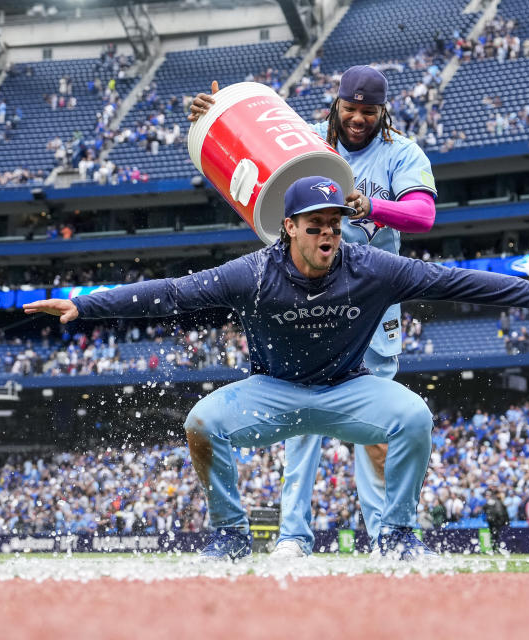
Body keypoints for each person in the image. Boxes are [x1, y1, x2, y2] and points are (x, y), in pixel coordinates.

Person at [25, 176, 529, 561]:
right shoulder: (252, 272)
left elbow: (454, 280)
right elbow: (174, 292)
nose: (329, 232)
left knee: (414, 416)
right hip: (272, 390)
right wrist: (87, 303)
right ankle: (230, 534)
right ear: (290, 228)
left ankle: (397, 534)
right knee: (201, 423)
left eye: (334, 222)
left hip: (349, 390)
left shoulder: (373, 266)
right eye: (315, 223)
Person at [189, 65, 438, 558]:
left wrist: (372, 207)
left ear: (383, 110)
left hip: (371, 305)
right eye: (351, 109)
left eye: (369, 111)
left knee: (376, 428)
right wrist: (215, 115)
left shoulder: (401, 152)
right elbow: (249, 160)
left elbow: (424, 216)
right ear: (336, 105)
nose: (359, 119)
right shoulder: (305, 142)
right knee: (301, 412)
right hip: (308, 300)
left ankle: (384, 537)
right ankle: (293, 536)